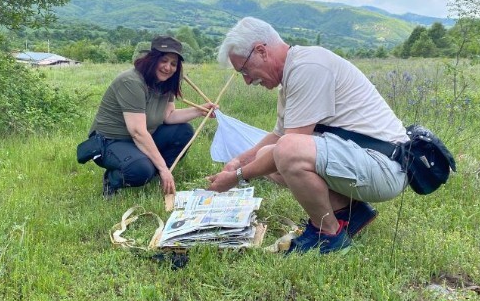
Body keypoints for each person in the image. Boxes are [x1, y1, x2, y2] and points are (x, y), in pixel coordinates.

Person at [207, 17, 409, 254]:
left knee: (286, 152)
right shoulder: (294, 71)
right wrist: (238, 161)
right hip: (366, 160)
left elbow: (289, 148)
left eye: (245, 70)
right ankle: (349, 212)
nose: (248, 80)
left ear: (261, 51)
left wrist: (237, 177)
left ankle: (329, 235)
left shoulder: (308, 67)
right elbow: (277, 136)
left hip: (384, 168)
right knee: (267, 153)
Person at [89, 35, 216, 197]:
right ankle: (113, 179)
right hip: (109, 142)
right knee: (140, 170)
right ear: (152, 59)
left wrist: (200, 111)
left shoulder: (166, 84)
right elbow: (137, 131)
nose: (168, 68)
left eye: (173, 64)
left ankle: (155, 176)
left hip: (138, 139)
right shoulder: (131, 81)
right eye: (164, 60)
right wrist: (163, 167)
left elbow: (168, 117)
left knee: (183, 131)